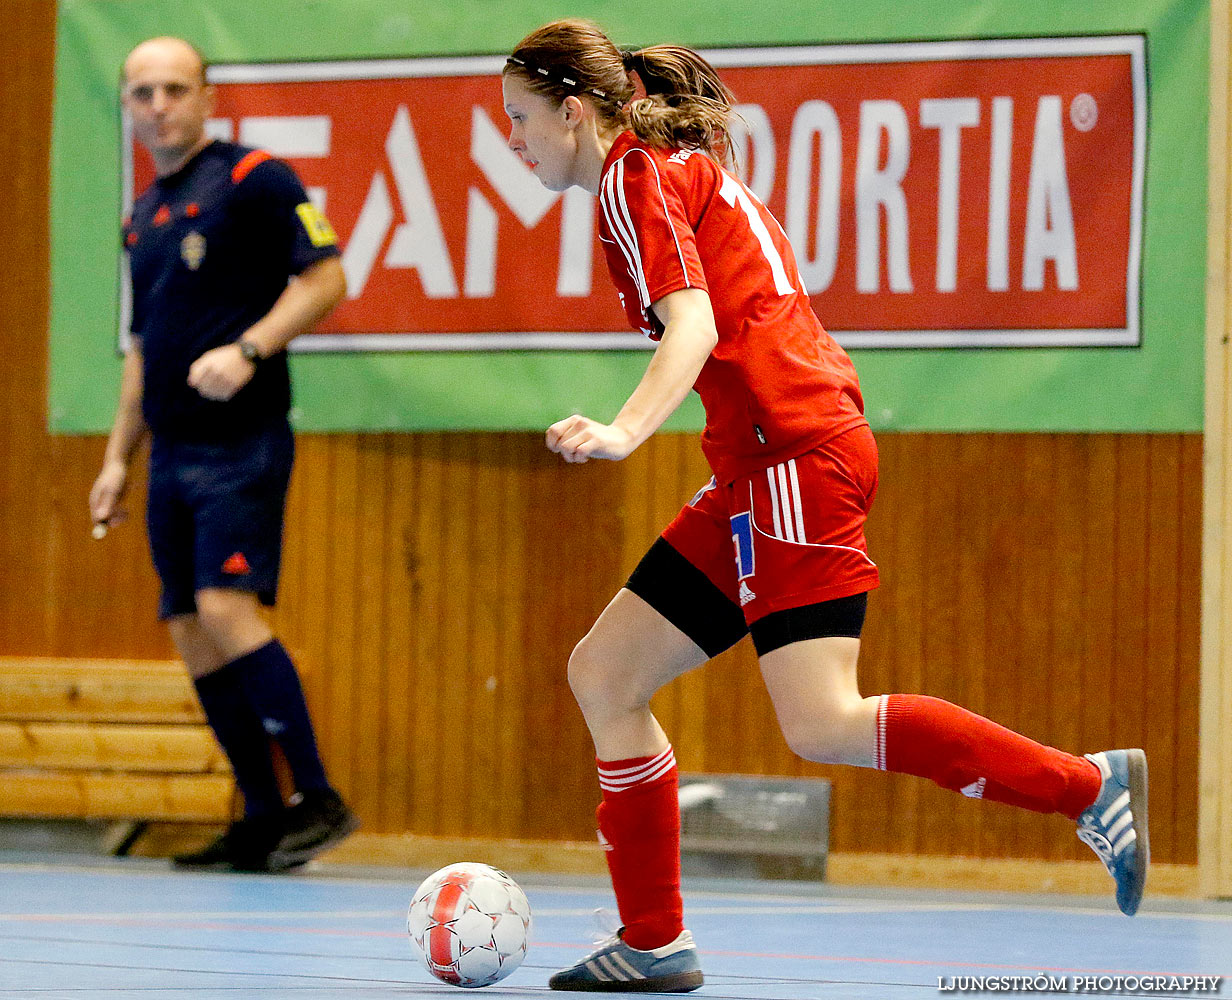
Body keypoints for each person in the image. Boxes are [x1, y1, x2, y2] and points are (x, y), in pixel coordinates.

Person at [502, 19, 1149, 993]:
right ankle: (652, 940)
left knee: (821, 720)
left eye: (517, 119)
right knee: (603, 673)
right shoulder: (661, 168)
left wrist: (623, 431)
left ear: (570, 111)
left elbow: (692, 326)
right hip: (756, 470)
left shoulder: (634, 181)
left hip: (792, 462)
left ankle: (1087, 786)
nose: (509, 141)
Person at [89, 36, 357, 873]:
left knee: (224, 607)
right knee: (189, 629)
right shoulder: (141, 216)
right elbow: (143, 348)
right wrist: (115, 460)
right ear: (128, 107)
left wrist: (248, 349)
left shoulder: (255, 180)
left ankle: (319, 798)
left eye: (175, 88)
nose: (159, 104)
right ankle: (262, 815)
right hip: (168, 451)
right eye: (142, 92)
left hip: (240, 442)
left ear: (208, 97)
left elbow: (325, 279)